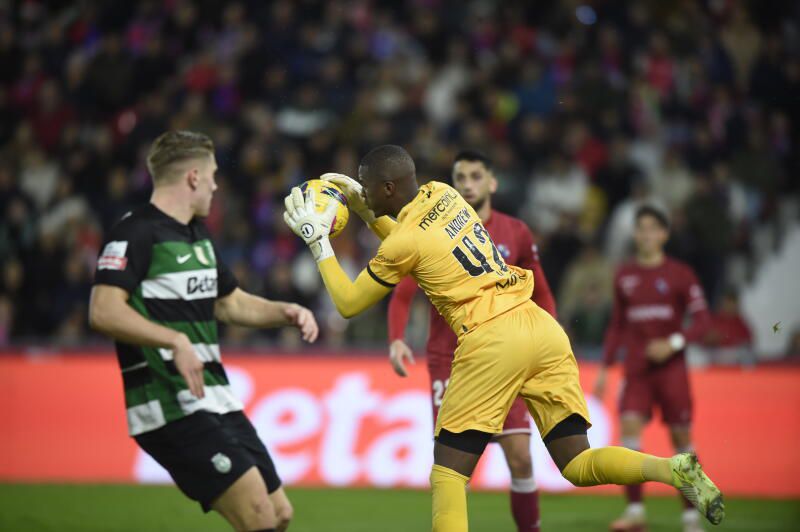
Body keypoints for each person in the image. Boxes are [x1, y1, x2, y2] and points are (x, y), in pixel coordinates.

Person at [283, 145, 724, 532]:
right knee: (577, 463)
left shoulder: (402, 242)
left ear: (389, 189)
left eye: (366, 186)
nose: (359, 191)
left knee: (449, 475)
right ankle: (673, 469)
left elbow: (348, 302)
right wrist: (363, 209)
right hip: (539, 328)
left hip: (491, 341)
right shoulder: (445, 193)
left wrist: (318, 241)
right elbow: (409, 240)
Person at [89, 131, 319, 532]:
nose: (216, 184)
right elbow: (103, 310)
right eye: (212, 175)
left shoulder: (197, 236)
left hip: (216, 397)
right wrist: (174, 339)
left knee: (279, 513)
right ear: (193, 177)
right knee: (257, 513)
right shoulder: (136, 232)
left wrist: (285, 311)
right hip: (167, 401)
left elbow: (230, 303)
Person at [386, 150, 556, 532]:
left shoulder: (517, 232)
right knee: (451, 468)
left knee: (521, 457)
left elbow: (541, 292)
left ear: (492, 182)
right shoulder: (435, 231)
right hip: (450, 358)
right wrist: (396, 339)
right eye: (460, 177)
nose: (467, 184)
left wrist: (550, 341)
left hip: (504, 356)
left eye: (476, 176)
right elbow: (402, 292)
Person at [594, 205, 713, 532]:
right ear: (635, 234)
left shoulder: (680, 274)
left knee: (681, 439)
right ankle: (635, 512)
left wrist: (673, 343)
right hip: (637, 372)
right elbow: (617, 324)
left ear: (664, 234)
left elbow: (703, 321)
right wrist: (605, 367)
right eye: (640, 229)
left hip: (672, 370)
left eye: (652, 229)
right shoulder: (625, 275)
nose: (645, 235)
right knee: (629, 434)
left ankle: (690, 516)